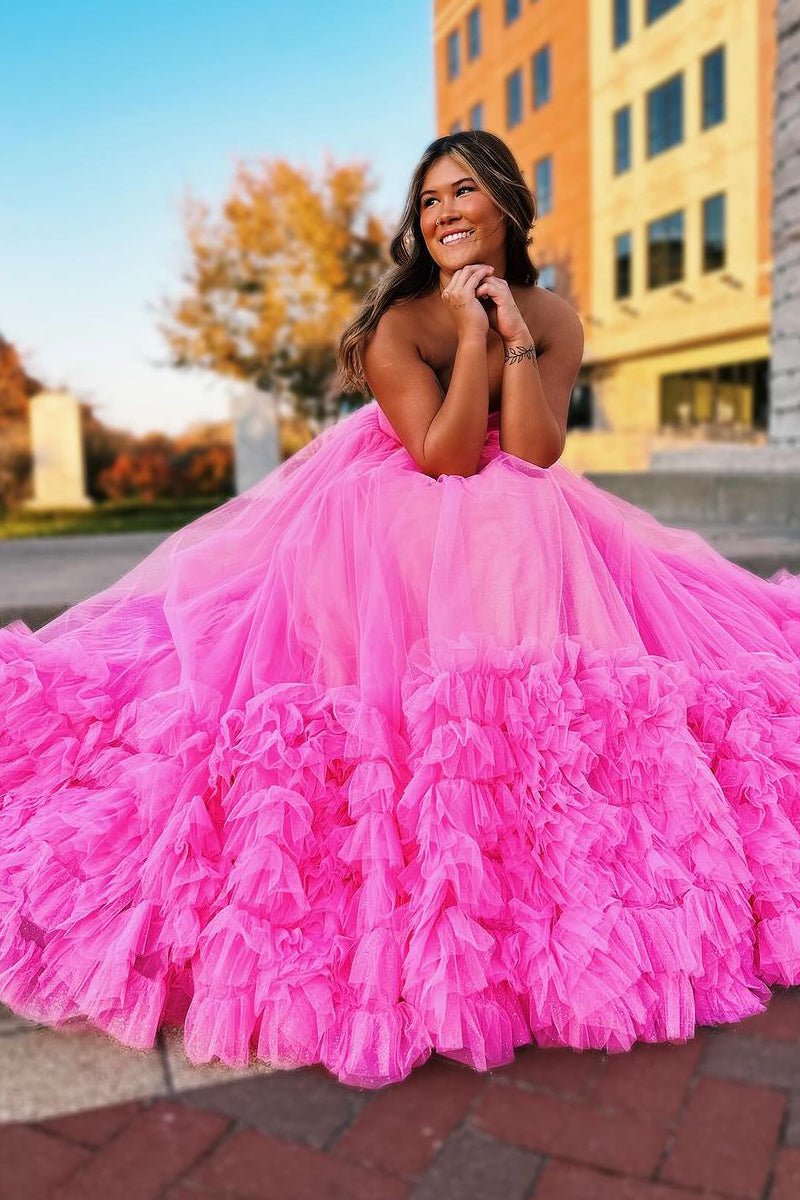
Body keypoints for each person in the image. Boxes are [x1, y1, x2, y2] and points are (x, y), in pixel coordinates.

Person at [1, 130, 800, 1093]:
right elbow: (449, 455)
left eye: (464, 192)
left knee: (529, 507)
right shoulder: (396, 325)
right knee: (490, 513)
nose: (446, 213)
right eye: (429, 202)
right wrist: (467, 336)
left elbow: (537, 449)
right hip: (397, 509)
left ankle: (540, 811)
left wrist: (512, 333)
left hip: (514, 504)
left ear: (506, 203)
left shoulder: (550, 312)